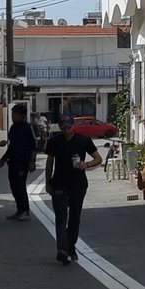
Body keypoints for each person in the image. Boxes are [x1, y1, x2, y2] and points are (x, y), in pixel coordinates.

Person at [45, 112, 101, 264]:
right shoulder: (54, 142)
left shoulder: (83, 140)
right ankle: (62, 249)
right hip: (59, 183)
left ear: (73, 127)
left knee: (75, 218)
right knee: (61, 218)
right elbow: (49, 161)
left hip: (78, 184)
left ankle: (71, 246)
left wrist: (86, 164)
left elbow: (98, 158)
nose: (66, 131)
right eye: (63, 128)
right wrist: (47, 181)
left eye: (69, 127)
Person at [0, 104, 38, 221]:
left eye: (15, 114)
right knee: (14, 186)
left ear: (22, 115)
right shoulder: (13, 128)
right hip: (13, 162)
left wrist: (32, 161)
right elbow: (11, 146)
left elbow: (33, 145)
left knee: (20, 186)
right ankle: (19, 209)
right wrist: (3, 158)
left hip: (23, 162)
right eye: (12, 114)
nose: (13, 116)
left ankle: (25, 211)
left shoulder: (27, 127)